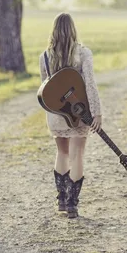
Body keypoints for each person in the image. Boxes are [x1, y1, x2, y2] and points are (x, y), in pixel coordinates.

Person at [39, 13, 102, 218]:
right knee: (77, 155)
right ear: (73, 29)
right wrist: (96, 113)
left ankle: (62, 201)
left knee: (62, 153)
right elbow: (90, 85)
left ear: (54, 31)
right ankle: (73, 205)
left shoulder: (45, 57)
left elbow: (46, 90)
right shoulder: (83, 53)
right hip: (79, 111)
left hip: (56, 114)